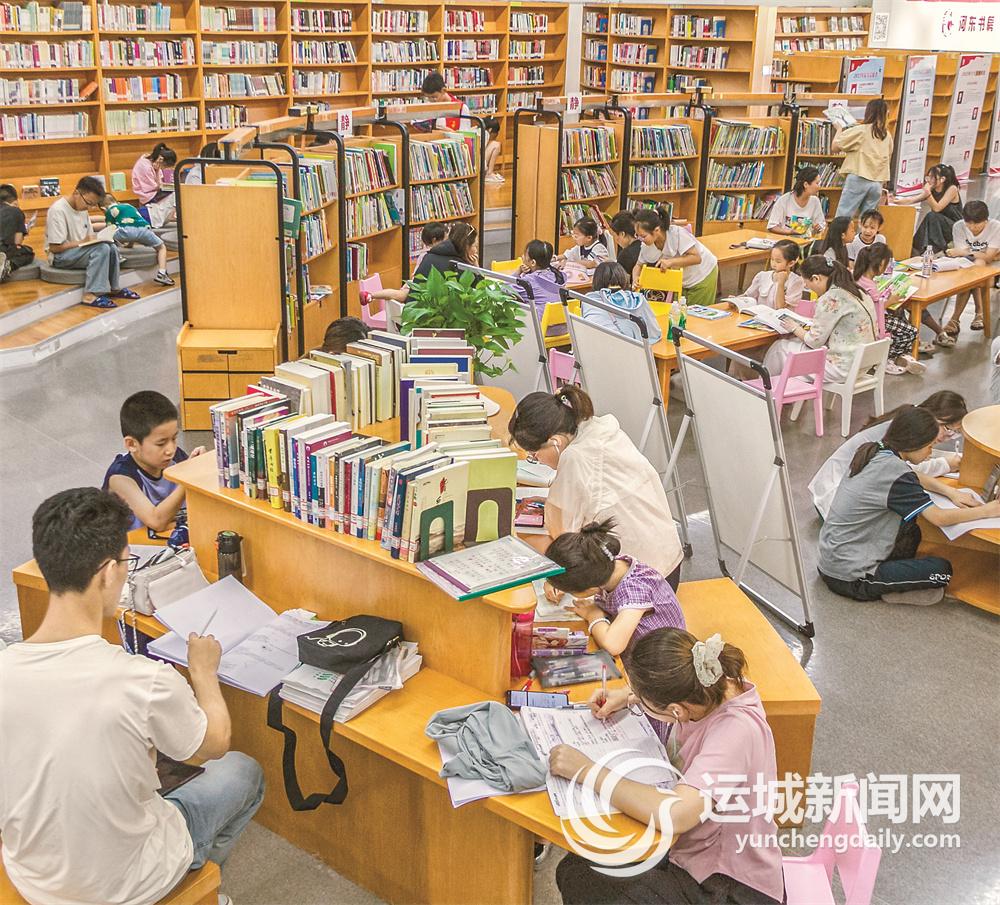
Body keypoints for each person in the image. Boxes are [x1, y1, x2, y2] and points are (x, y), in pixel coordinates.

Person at [0, 487, 263, 905]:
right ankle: (203, 892)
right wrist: (203, 673)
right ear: (108, 573)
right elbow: (212, 745)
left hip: (33, 875)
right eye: (127, 563)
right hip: (128, 884)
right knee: (242, 772)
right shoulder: (144, 680)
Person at [552, 629, 785, 905]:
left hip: (728, 884)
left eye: (645, 704)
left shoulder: (737, 731)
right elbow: (678, 689)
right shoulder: (710, 685)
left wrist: (588, 771)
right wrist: (629, 696)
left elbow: (676, 814)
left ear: (677, 710)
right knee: (578, 867)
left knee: (588, 882)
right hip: (692, 851)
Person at [818, 405, 1000, 604]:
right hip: (851, 577)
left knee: (912, 528)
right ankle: (888, 588)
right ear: (914, 443)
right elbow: (939, 518)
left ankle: (897, 580)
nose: (930, 452)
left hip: (831, 559)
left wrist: (950, 492)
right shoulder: (897, 474)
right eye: (930, 446)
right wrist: (987, 511)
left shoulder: (876, 450)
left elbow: (914, 475)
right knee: (943, 571)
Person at [507, 386, 684, 589]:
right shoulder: (601, 429)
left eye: (534, 455)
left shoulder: (576, 457)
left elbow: (563, 537)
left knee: (535, 558)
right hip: (667, 561)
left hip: (640, 585)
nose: (537, 460)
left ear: (555, 442)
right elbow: (600, 495)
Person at [808, 390, 972, 519]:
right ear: (931, 415)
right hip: (832, 500)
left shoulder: (908, 417)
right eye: (947, 428)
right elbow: (906, 473)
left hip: (832, 493)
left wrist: (945, 464)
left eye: (954, 433)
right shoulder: (907, 429)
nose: (946, 437)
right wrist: (946, 471)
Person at [545, 518, 685, 658]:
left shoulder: (633, 591)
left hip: (658, 661)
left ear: (591, 590)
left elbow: (613, 646)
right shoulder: (607, 563)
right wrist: (560, 580)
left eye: (570, 592)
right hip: (640, 647)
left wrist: (593, 615)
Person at [103, 390, 206, 534]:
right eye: (161, 443)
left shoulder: (175, 456)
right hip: (135, 546)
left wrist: (203, 466)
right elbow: (156, 521)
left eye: (174, 438)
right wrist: (188, 480)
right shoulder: (120, 477)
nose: (170, 449)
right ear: (132, 444)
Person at [763, 255, 876, 382]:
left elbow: (814, 342)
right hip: (862, 364)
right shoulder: (858, 291)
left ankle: (767, 389)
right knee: (793, 344)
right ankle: (782, 388)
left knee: (780, 347)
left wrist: (794, 327)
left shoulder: (831, 298)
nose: (809, 288)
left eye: (807, 284)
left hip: (841, 368)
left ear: (816, 278)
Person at [45, 175, 138, 309]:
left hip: (80, 251)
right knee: (102, 249)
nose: (90, 207)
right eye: (89, 203)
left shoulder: (82, 208)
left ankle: (114, 288)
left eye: (93, 204)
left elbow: (89, 237)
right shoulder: (58, 210)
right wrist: (82, 242)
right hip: (60, 257)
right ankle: (89, 295)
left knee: (110, 246)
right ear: (77, 193)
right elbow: (55, 248)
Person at [853, 243, 922, 376]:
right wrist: (891, 301)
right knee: (911, 331)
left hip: (865, 319)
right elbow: (872, 309)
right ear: (881, 264)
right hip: (874, 322)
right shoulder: (869, 286)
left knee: (900, 319)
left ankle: (900, 355)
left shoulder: (858, 278)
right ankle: (888, 358)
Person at [633, 205, 719, 307]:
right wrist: (635, 278)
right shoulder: (646, 245)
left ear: (657, 230)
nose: (640, 239)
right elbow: (638, 265)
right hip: (680, 280)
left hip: (703, 274)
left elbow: (697, 258)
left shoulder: (677, 234)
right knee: (678, 311)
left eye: (643, 236)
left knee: (696, 314)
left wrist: (671, 262)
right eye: (637, 235)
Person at [943, 200, 1000, 335]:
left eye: (977, 224)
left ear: (986, 220)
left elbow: (989, 257)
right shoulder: (959, 226)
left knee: (975, 269)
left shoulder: (996, 227)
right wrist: (977, 254)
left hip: (992, 267)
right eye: (969, 223)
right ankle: (979, 314)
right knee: (975, 268)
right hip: (970, 265)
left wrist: (964, 252)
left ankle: (955, 319)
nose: (972, 227)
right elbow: (972, 257)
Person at [360, 222, 448, 307]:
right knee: (400, 295)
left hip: (412, 282)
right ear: (434, 240)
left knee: (397, 294)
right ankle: (371, 295)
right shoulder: (430, 256)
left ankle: (371, 295)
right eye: (445, 240)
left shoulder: (423, 253)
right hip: (416, 285)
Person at [832, 98, 893, 218]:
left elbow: (835, 147)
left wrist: (839, 129)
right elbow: (888, 158)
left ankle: (839, 231)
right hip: (877, 183)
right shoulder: (887, 136)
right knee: (867, 220)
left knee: (843, 216)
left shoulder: (861, 130)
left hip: (858, 177)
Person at [101, 193, 174, 286]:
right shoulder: (129, 206)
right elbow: (134, 225)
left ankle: (118, 256)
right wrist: (130, 245)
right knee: (161, 247)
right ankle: (162, 273)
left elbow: (110, 228)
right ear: (117, 202)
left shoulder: (110, 210)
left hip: (125, 231)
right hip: (145, 230)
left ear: (103, 209)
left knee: (106, 233)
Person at [582, 260, 662, 342]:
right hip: (631, 348)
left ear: (597, 280)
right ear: (623, 277)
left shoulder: (589, 299)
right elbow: (654, 333)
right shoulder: (637, 299)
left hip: (595, 346)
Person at [904, 164, 963, 255]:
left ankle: (937, 248)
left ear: (942, 179)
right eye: (928, 177)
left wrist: (928, 192)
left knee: (932, 216)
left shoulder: (952, 189)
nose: (928, 180)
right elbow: (912, 200)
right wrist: (894, 201)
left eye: (932, 177)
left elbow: (937, 208)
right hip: (938, 225)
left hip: (954, 226)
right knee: (931, 219)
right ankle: (917, 249)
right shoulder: (932, 189)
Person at [513, 239, 566, 333]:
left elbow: (505, 289)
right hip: (563, 329)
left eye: (524, 255)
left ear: (533, 263)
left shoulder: (529, 281)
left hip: (541, 330)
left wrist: (518, 272)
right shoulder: (560, 275)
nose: (522, 256)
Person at [741, 239, 804, 309]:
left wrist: (781, 284)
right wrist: (736, 300)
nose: (773, 264)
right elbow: (748, 296)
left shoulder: (796, 282)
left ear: (791, 263)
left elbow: (780, 308)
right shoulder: (762, 276)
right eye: (772, 259)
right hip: (761, 314)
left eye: (778, 261)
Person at [766, 165, 827, 236]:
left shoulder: (815, 201)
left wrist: (817, 228)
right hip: (786, 240)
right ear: (806, 184)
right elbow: (772, 227)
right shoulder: (784, 200)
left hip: (807, 241)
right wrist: (790, 232)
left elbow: (821, 224)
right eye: (817, 183)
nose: (819, 187)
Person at [413, 222, 479, 281]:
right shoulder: (460, 267)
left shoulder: (428, 256)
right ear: (466, 246)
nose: (476, 250)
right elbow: (480, 287)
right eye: (475, 246)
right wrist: (475, 267)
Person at [0, 183, 35, 280]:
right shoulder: (16, 211)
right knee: (28, 252)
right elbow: (17, 242)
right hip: (3, 249)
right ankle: (8, 266)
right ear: (15, 200)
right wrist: (25, 231)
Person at [609, 209, 642, 275]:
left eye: (614, 235)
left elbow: (620, 279)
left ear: (622, 234)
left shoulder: (625, 255)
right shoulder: (645, 245)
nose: (615, 240)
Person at [483, 117, 503, 183]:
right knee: (497, 144)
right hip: (479, 166)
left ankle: (488, 173)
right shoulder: (485, 134)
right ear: (490, 130)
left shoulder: (475, 129)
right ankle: (489, 173)